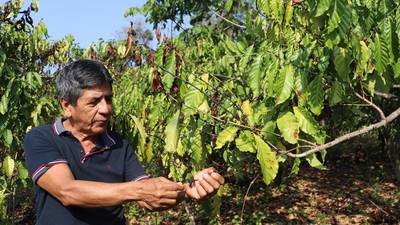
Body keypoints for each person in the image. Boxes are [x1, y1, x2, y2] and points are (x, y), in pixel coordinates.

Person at [24, 59, 224, 225]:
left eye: (108, 99)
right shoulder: (42, 137)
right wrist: (138, 191)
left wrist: (187, 189)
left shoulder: (119, 144)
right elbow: (67, 191)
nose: (105, 109)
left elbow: (147, 197)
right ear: (67, 105)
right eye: (94, 102)